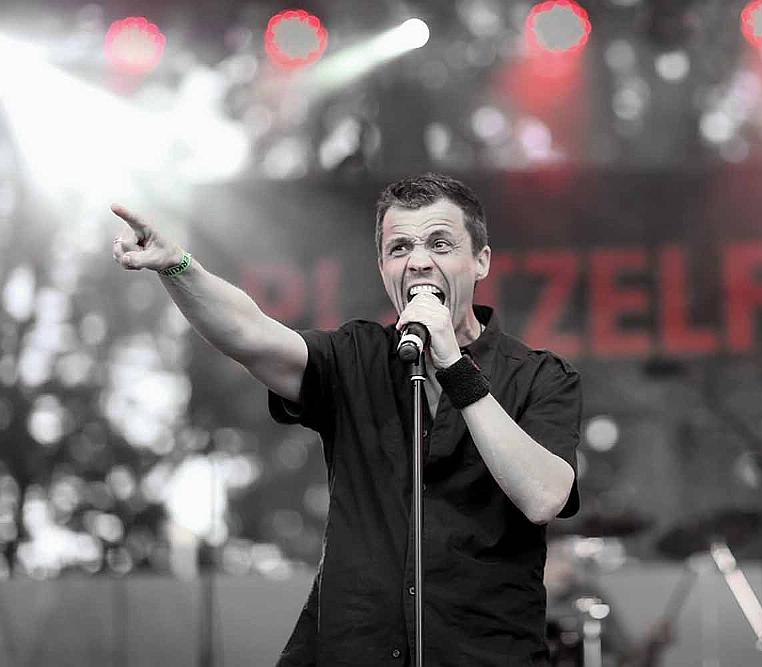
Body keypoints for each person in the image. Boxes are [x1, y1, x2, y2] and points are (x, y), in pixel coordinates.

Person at [110, 173, 582, 666]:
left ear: (481, 260)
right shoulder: (356, 356)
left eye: (440, 244)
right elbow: (249, 333)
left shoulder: (542, 377)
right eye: (400, 248)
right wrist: (178, 266)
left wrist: (454, 367)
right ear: (383, 268)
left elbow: (543, 497)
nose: (419, 261)